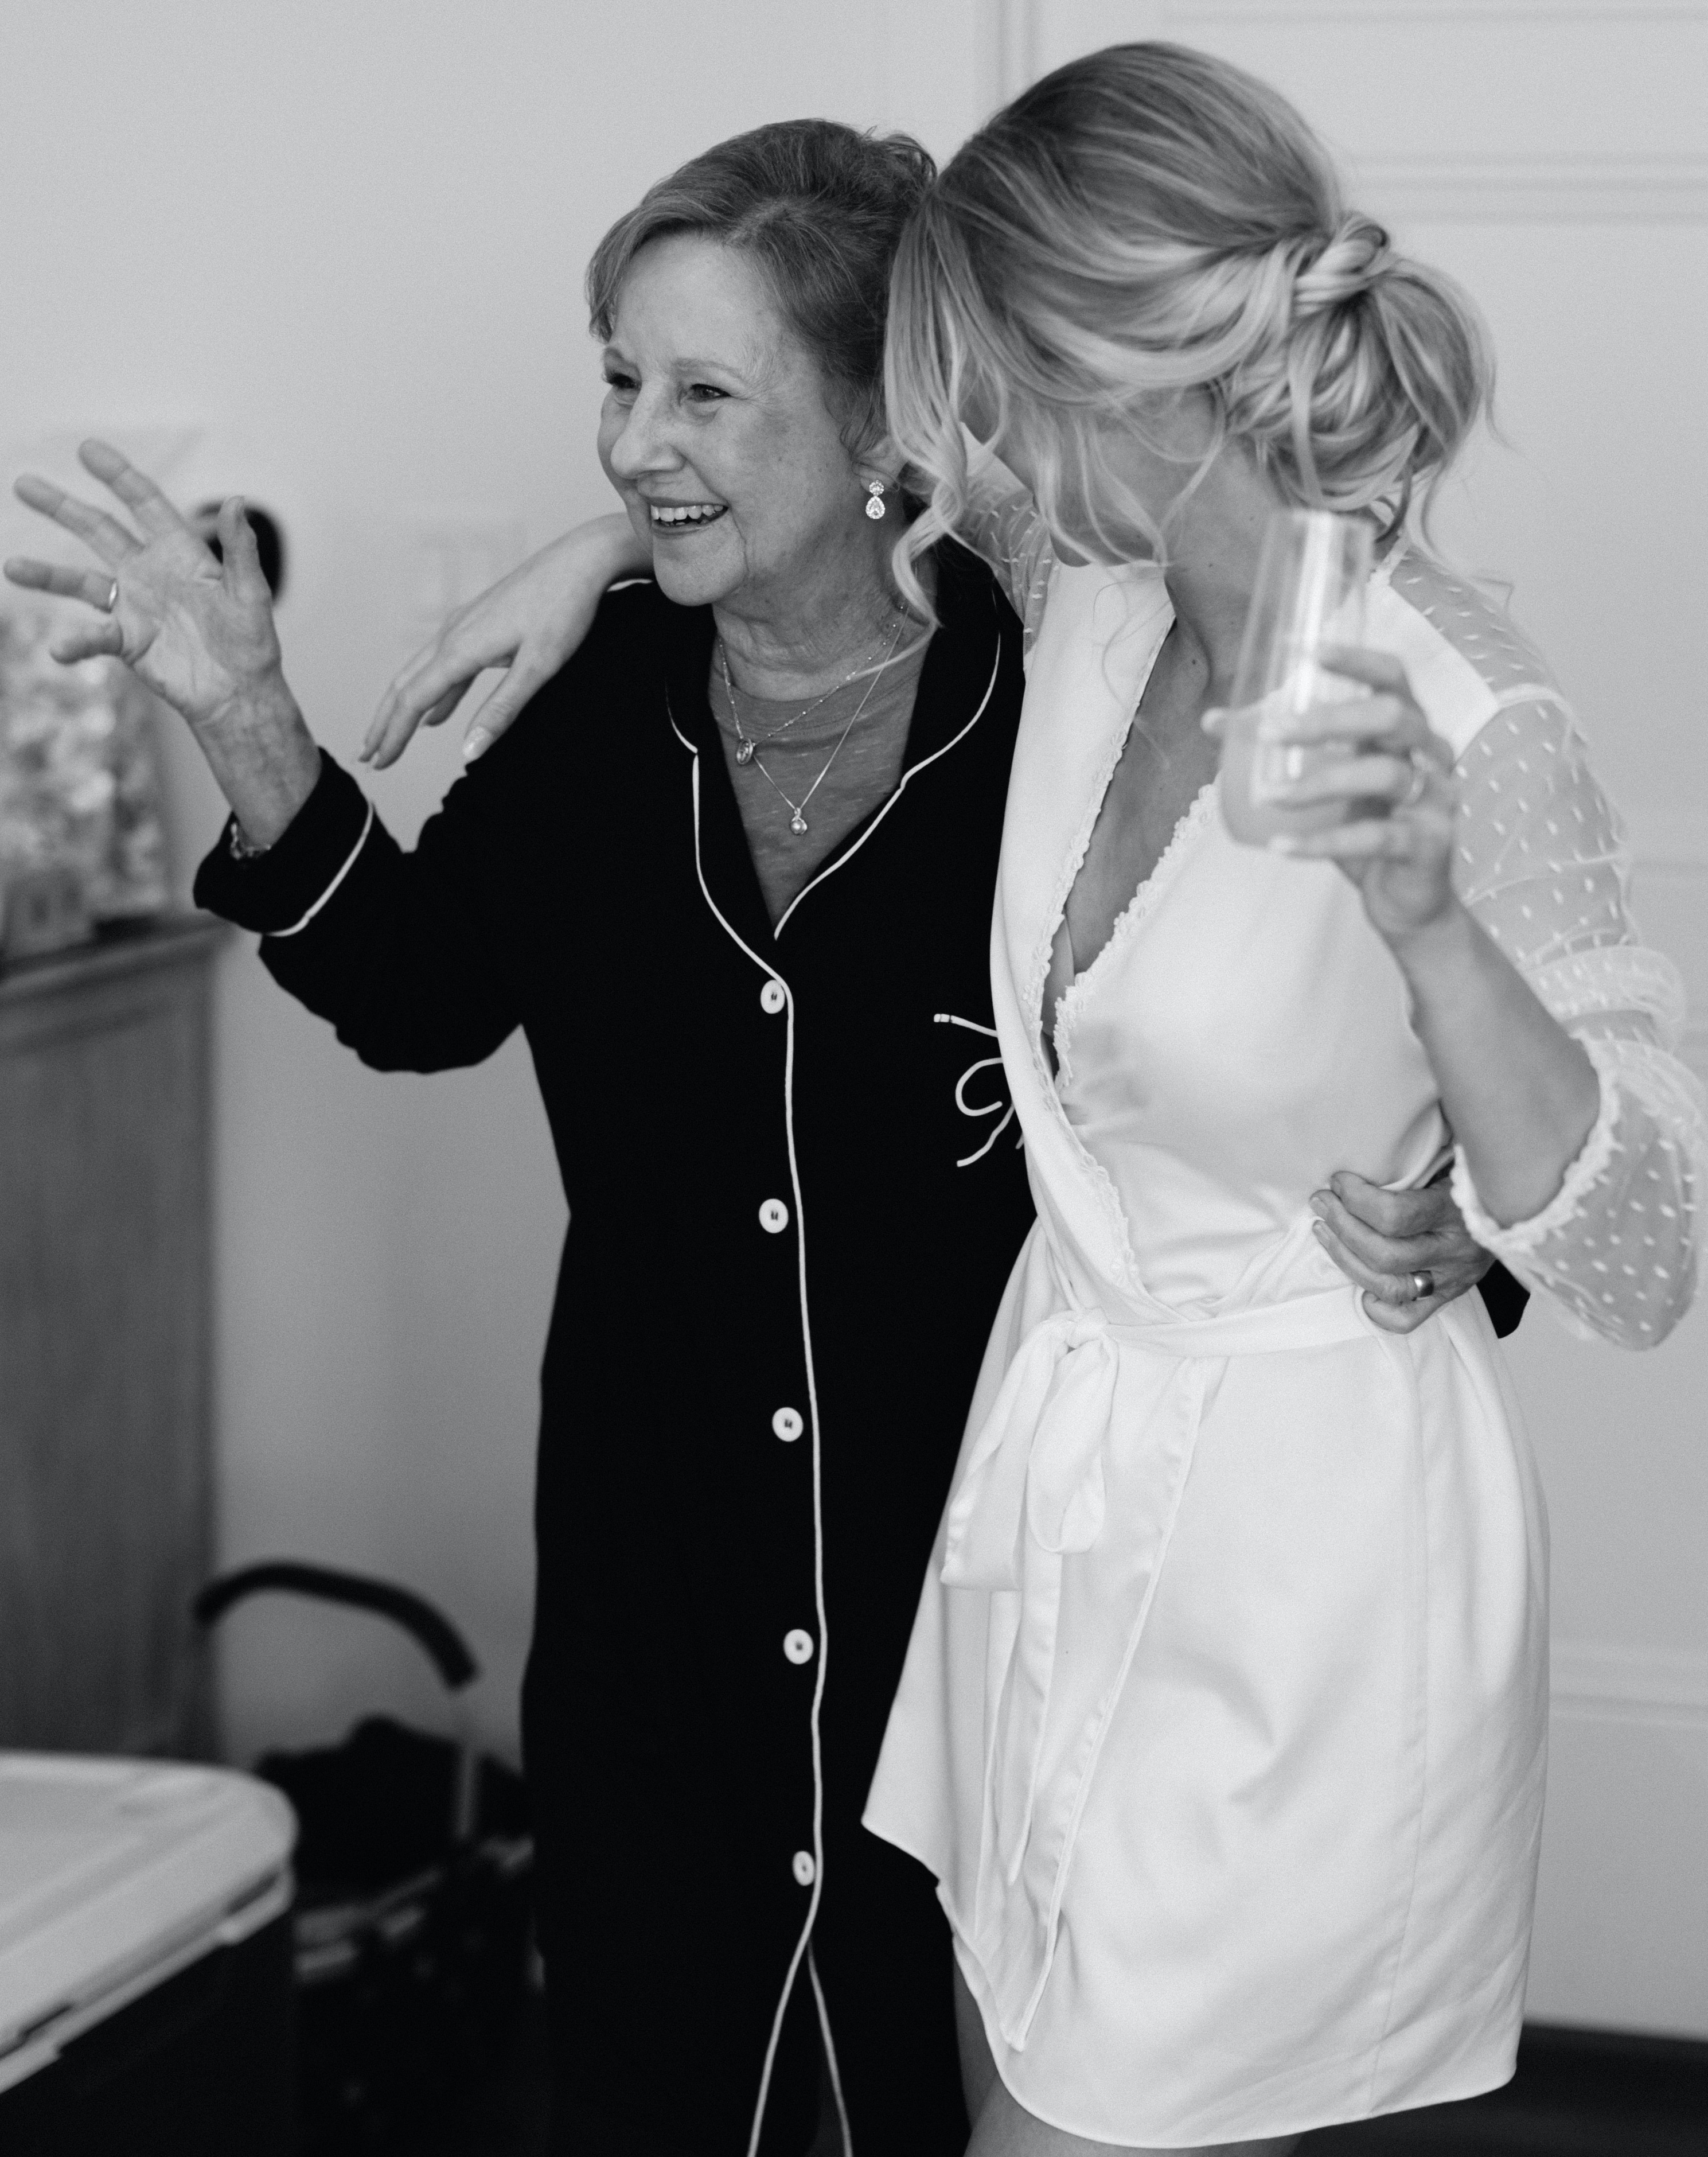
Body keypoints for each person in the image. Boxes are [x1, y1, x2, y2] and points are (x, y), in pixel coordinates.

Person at [10, 114, 1518, 2157]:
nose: (636, 440)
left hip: (996, 1609)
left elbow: (1319, 1000)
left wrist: (1463, 1227)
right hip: (654, 1612)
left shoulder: (1064, 680)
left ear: (889, 413)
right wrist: (246, 715)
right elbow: (420, 991)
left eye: (707, 391)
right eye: (619, 383)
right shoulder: (597, 709)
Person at [851, 42, 1702, 2157]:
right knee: (1012, 2070)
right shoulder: (1089, 607)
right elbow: (805, 448)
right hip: (1052, 1472)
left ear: (1127, 365)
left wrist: (1425, 922)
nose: (962, 449)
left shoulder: (1461, 706)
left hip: (1295, 1576)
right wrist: (560, 572)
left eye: (992, 385)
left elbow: (1645, 1246)